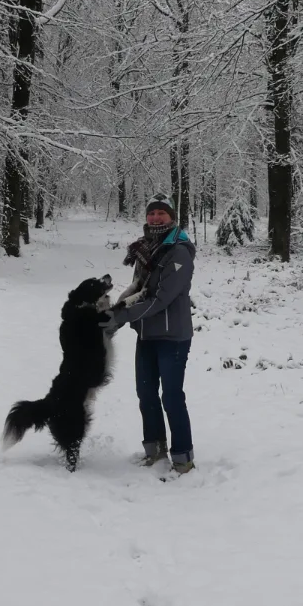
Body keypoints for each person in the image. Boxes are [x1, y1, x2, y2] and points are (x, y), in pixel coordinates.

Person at [106, 195, 196, 475]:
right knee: (145, 393)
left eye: (161, 213)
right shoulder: (146, 248)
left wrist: (121, 316)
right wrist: (111, 317)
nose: (156, 218)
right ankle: (155, 450)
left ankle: (183, 457)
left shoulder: (179, 251)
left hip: (173, 337)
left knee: (171, 396)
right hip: (146, 335)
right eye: (151, 213)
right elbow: (137, 287)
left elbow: (161, 299)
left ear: (171, 217)